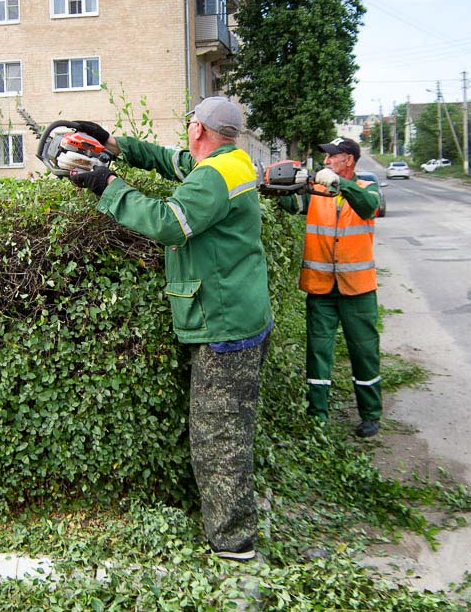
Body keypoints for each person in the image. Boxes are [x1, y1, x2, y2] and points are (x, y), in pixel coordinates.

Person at [65, 96, 273, 561]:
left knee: (219, 440)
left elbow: (168, 223)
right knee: (230, 430)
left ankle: (235, 544)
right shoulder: (230, 162)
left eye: (188, 124)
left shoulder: (214, 177)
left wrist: (107, 187)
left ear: (198, 128)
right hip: (240, 312)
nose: (185, 132)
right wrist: (112, 144)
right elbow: (168, 160)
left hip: (225, 325)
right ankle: (232, 527)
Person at [277, 137, 383, 437]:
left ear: (348, 160)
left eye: (332, 157)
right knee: (318, 352)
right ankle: (317, 414)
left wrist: (340, 185)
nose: (326, 162)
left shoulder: (366, 190)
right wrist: (279, 187)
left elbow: (367, 208)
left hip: (358, 290)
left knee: (364, 351)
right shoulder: (317, 192)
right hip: (321, 288)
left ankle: (370, 414)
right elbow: (291, 204)